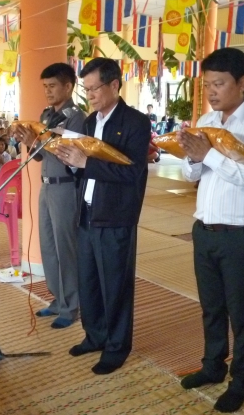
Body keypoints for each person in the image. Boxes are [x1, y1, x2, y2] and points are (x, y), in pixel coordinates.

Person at [176, 47, 244, 413]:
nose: (211, 91)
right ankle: (212, 366)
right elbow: (191, 173)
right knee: (211, 307)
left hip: (240, 233)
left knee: (241, 311)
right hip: (204, 229)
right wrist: (193, 155)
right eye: (207, 84)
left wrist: (209, 155)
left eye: (219, 84)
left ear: (242, 83)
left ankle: (241, 381)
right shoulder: (207, 119)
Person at [52, 57, 150, 375]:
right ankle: (94, 336)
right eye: (87, 89)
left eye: (95, 88)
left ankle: (117, 347)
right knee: (89, 280)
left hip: (116, 216)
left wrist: (86, 163)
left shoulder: (135, 122)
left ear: (114, 85)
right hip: (87, 212)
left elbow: (132, 173)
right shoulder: (91, 122)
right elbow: (85, 170)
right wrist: (71, 162)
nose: (90, 95)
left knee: (116, 285)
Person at [13, 63, 86, 329]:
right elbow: (40, 155)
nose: (47, 91)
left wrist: (40, 139)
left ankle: (71, 305)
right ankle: (58, 299)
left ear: (68, 86)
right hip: (46, 186)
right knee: (48, 246)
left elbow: (66, 152)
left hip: (65, 186)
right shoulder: (46, 115)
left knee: (66, 248)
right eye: (45, 86)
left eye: (52, 86)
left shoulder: (76, 117)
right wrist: (28, 141)